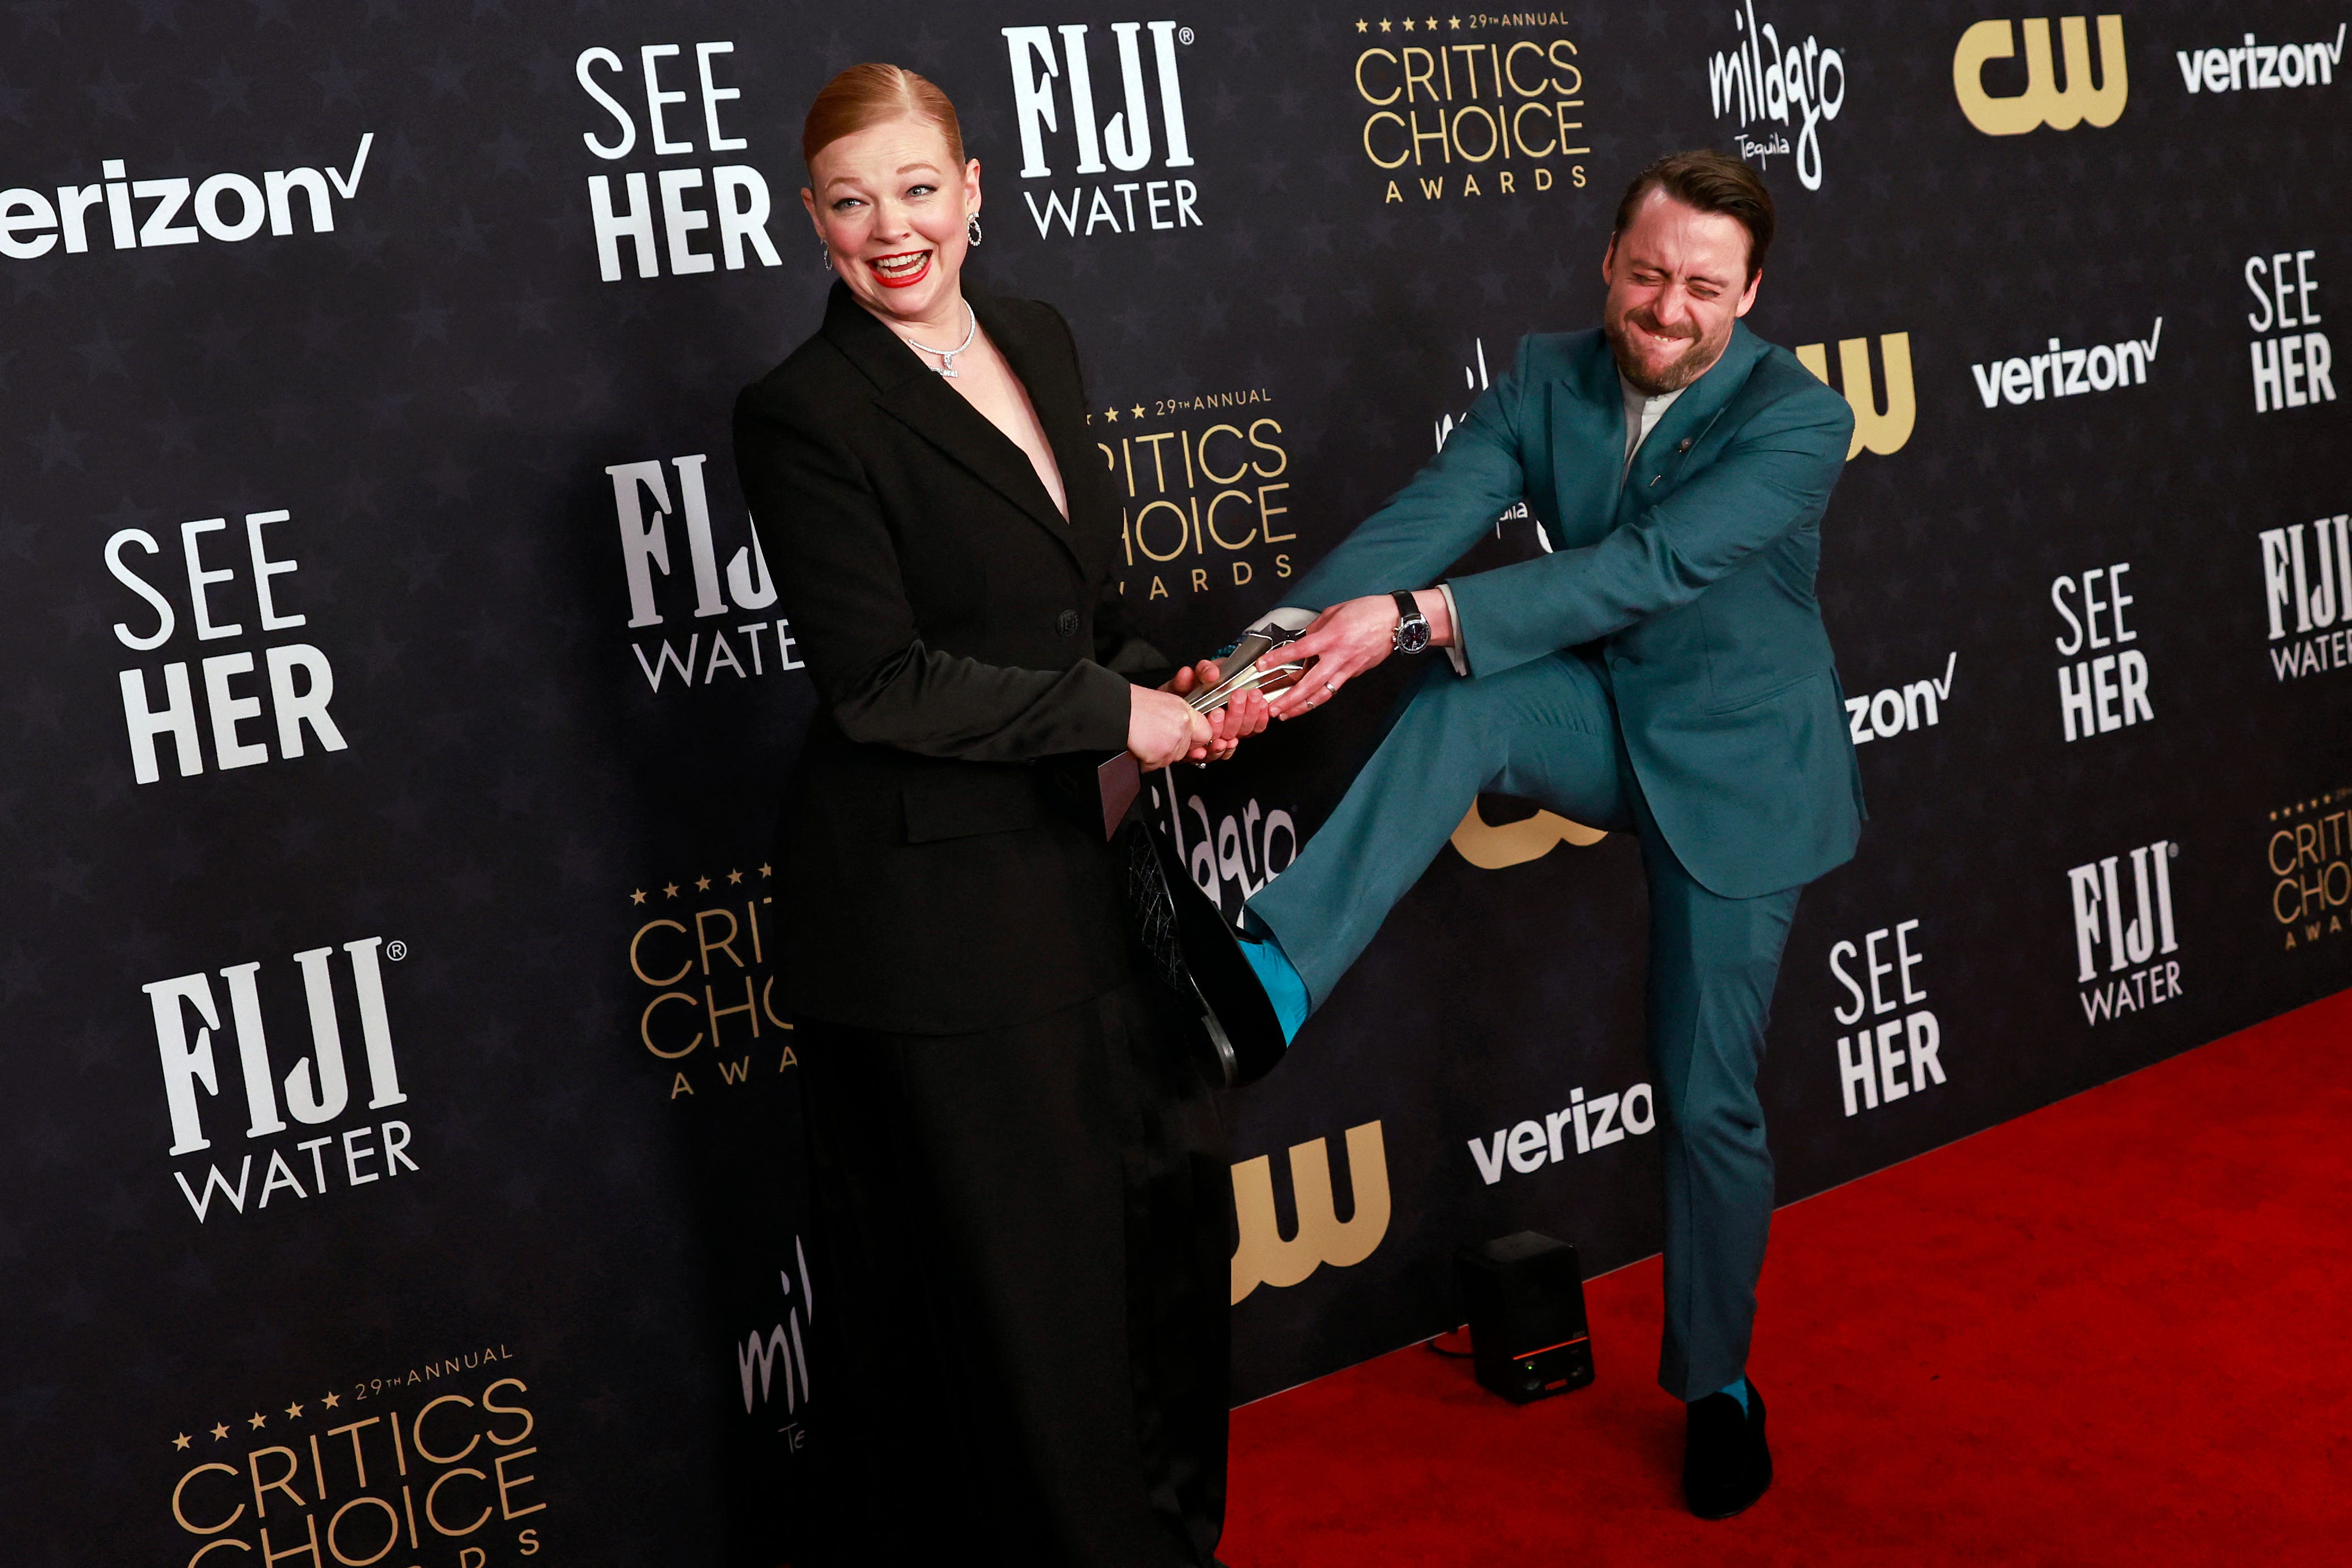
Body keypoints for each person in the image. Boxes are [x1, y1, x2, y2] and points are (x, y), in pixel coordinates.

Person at [1210, 150, 1863, 1519]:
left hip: (1741, 766)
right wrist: (1261, 658)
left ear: (1749, 292)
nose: (1667, 307)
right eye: (1646, 273)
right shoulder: (1542, 373)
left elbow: (1655, 567)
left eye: (1702, 286)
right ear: (1605, 262)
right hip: (1607, 713)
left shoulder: (1801, 419)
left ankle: (1717, 1385)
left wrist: (1419, 620)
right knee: (1461, 717)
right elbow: (1432, 516)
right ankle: (1275, 972)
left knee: (1704, 1100)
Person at [730, 63, 1262, 1566]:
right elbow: (881, 685)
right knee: (1021, 1316)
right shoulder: (801, 412)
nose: (888, 230)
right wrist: (1118, 717)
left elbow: (1062, 613)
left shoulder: (1034, 335)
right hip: (930, 926)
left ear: (973, 189)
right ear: (812, 219)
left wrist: (1173, 680)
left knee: (1156, 1243)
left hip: (1089, 882)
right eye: (849, 201)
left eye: (915, 189)